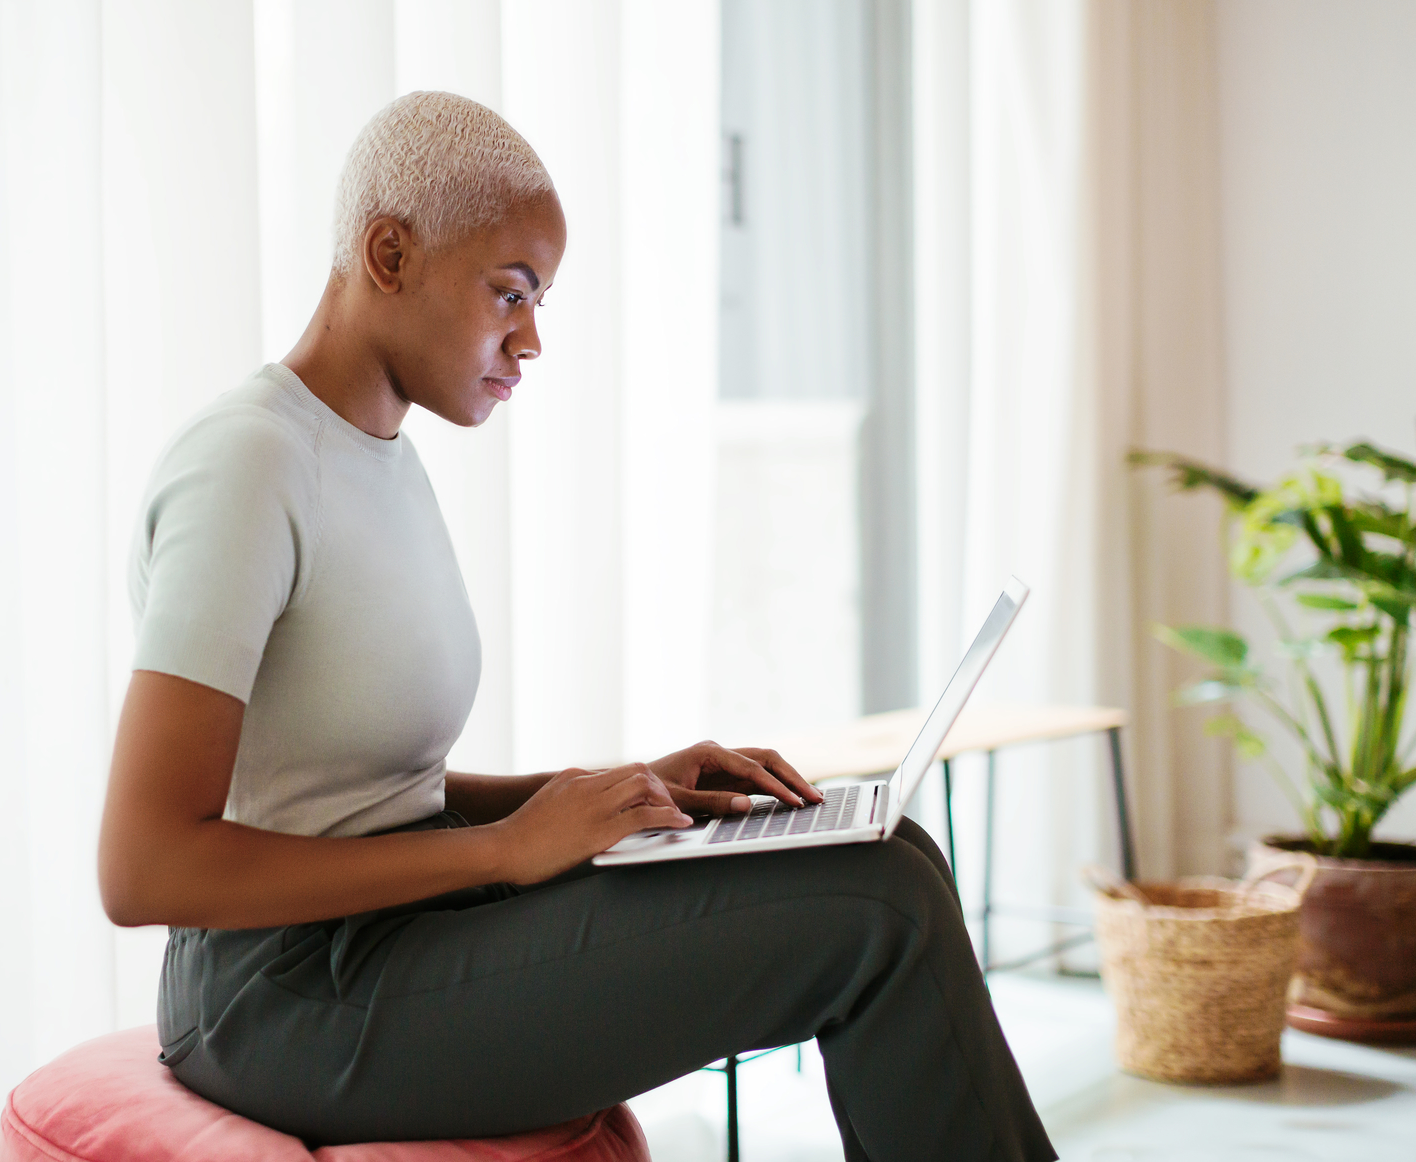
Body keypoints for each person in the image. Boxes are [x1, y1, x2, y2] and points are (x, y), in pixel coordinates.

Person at [98, 90, 1055, 1162]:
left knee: (899, 857)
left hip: (393, 943)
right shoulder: (246, 464)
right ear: (388, 252)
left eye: (540, 298)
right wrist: (508, 850)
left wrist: (613, 789)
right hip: (278, 999)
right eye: (510, 292)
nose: (533, 337)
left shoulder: (383, 461)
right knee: (880, 912)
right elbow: (146, 867)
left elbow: (352, 797)